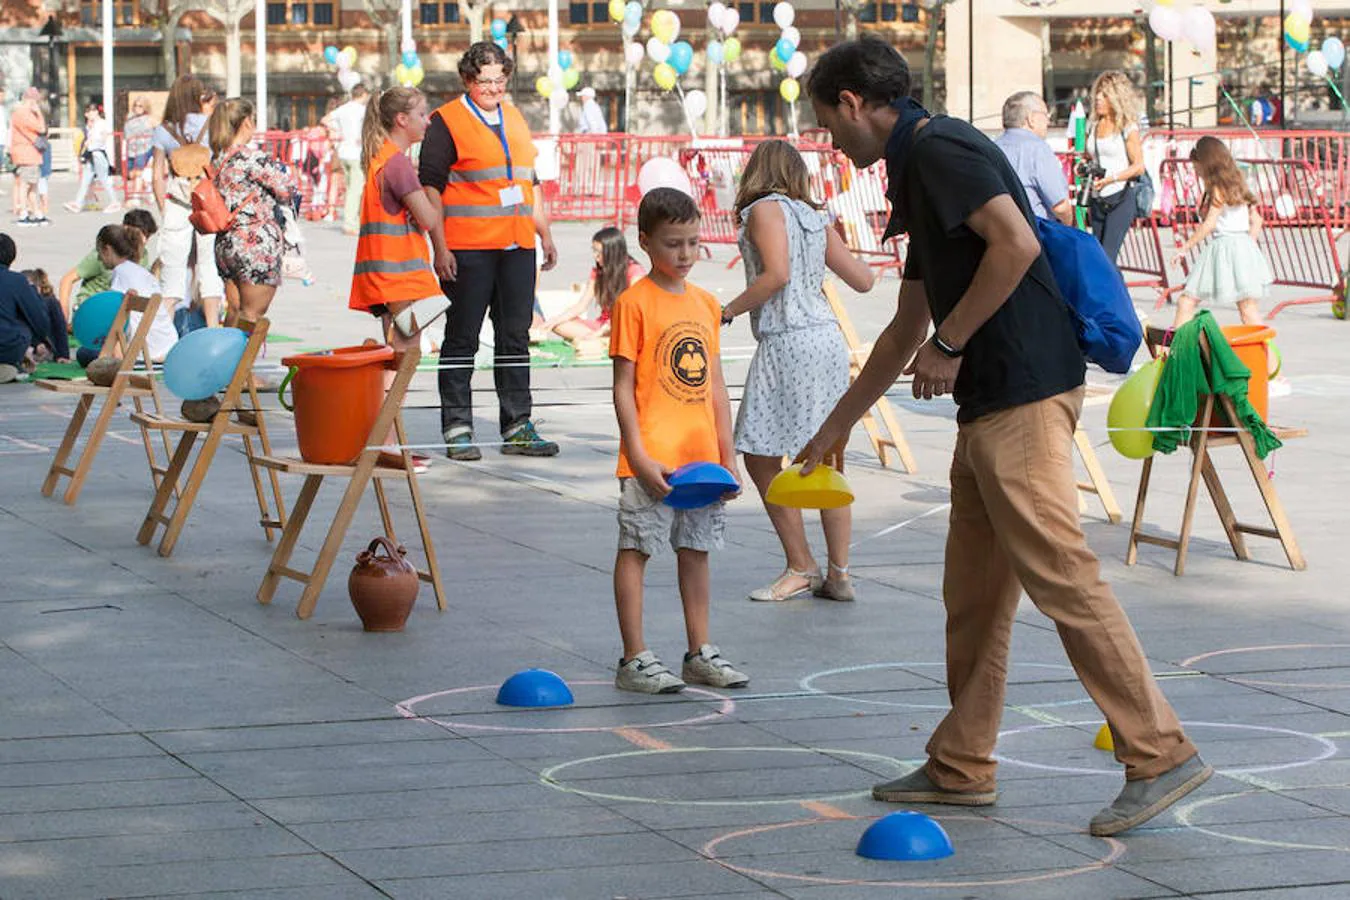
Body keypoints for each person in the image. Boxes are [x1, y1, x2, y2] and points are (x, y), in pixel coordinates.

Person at [800, 37, 1209, 838]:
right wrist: (837, 426)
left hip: (1021, 389)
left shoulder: (940, 147)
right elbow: (903, 327)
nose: (830, 141)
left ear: (852, 102)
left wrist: (949, 347)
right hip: (990, 401)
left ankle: (1159, 751)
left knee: (1062, 575)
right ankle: (962, 764)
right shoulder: (918, 163)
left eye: (827, 123)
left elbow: (1016, 247)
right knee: (977, 597)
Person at [719, 140, 875, 603]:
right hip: (826, 340)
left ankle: (800, 563)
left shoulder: (765, 209)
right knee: (824, 457)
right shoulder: (814, 216)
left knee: (761, 454)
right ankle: (839, 572)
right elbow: (863, 280)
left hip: (788, 339)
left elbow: (776, 275)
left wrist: (726, 311)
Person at [608, 187, 747, 694]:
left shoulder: (707, 304)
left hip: (702, 462)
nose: (685, 254)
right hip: (654, 461)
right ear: (645, 242)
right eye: (673, 244)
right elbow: (623, 386)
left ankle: (699, 651)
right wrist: (639, 457)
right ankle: (634, 658)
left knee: (697, 550)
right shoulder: (633, 303)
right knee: (637, 547)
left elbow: (714, 386)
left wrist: (727, 458)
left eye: (692, 243)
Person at [419, 41, 561, 460]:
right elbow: (432, 188)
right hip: (468, 248)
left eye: (501, 80)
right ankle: (458, 426)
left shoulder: (515, 118)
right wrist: (439, 245)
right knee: (461, 339)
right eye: (485, 81)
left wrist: (545, 234)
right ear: (467, 79)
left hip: (516, 245)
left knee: (515, 337)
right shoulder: (446, 122)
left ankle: (518, 424)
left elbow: (529, 183)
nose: (494, 88)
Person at [349, 85, 453, 473]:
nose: (427, 120)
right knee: (405, 357)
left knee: (398, 354)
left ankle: (385, 441)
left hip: (384, 272)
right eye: (423, 113)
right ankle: (384, 443)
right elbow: (427, 217)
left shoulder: (380, 158)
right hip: (400, 275)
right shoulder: (397, 163)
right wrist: (432, 194)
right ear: (401, 120)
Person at [207, 98, 297, 326]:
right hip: (254, 242)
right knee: (252, 318)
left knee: (234, 312)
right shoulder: (252, 158)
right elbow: (287, 189)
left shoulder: (217, 159)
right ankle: (242, 361)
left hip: (226, 242)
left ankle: (226, 360)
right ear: (246, 122)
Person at [1169, 136, 1272, 329]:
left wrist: (1185, 247)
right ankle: (1268, 356)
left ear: (1206, 163)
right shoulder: (1237, 183)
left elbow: (1209, 224)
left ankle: (1175, 352)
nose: (1197, 172)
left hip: (1224, 246)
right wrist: (1247, 244)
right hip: (1243, 246)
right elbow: (1257, 220)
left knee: (1187, 301)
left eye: (1197, 166)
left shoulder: (1217, 189)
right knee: (1248, 310)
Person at [153, 76, 224, 327]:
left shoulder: (164, 129)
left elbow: (157, 176)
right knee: (208, 266)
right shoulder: (211, 125)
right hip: (206, 200)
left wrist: (164, 207)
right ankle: (213, 326)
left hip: (176, 201)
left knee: (172, 269)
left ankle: (164, 333)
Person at [538, 226, 643, 353]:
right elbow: (581, 306)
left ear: (612, 252)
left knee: (618, 328)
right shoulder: (598, 272)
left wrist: (603, 330)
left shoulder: (634, 272)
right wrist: (554, 320)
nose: (596, 256)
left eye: (599, 252)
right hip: (603, 325)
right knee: (560, 325)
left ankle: (602, 339)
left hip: (624, 323)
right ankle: (602, 340)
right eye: (594, 251)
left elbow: (632, 310)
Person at [1084, 70, 1146, 263]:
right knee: (1098, 257)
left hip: (1120, 196)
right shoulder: (1093, 125)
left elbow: (1139, 166)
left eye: (1104, 95)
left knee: (1106, 258)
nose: (1098, 99)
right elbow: (1091, 157)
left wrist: (1112, 178)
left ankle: (1114, 293)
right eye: (1097, 94)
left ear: (1116, 97)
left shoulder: (1127, 126)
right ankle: (1117, 293)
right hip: (1097, 198)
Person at [58, 209, 158, 321]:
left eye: (148, 236)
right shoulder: (103, 254)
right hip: (92, 307)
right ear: (124, 229)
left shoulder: (143, 254)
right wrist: (64, 314)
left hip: (118, 309)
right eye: (140, 234)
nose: (144, 240)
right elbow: (67, 279)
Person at [98, 224, 177, 362]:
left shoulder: (120, 272)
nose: (99, 258)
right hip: (167, 346)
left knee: (85, 352)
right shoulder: (141, 272)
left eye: (99, 252)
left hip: (142, 352)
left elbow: (117, 319)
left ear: (107, 250)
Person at [994, 91, 1073, 227]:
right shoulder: (1038, 149)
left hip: (999, 232)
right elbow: (1060, 206)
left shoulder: (993, 147)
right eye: (1045, 114)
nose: (1048, 121)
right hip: (1036, 233)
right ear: (1031, 118)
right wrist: (1068, 226)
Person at [0, 232, 52, 383]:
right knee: (21, 324)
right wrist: (38, 342)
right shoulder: (17, 281)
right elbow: (40, 321)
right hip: (6, 349)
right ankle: (11, 364)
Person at [328, 84, 370, 236]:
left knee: (350, 187)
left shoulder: (343, 109)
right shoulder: (362, 111)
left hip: (343, 151)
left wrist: (337, 133)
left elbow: (326, 119)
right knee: (356, 190)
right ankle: (351, 223)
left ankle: (352, 220)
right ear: (363, 94)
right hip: (356, 152)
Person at [66, 103, 120, 214]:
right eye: (88, 112)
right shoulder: (93, 125)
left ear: (97, 112)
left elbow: (103, 138)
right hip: (92, 154)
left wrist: (92, 142)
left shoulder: (101, 123)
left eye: (93, 111)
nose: (90, 114)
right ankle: (78, 203)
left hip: (97, 153)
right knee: (86, 179)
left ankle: (114, 202)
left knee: (103, 178)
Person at [9, 88, 47, 226]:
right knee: (26, 184)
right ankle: (24, 213)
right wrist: (38, 113)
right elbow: (41, 129)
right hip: (27, 153)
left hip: (28, 153)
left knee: (32, 184)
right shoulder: (23, 113)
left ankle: (36, 211)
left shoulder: (18, 113)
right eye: (35, 100)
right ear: (30, 100)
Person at [21, 268, 68, 361]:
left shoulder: (50, 302)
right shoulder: (20, 303)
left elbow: (60, 328)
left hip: (44, 348)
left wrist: (63, 355)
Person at [123, 96, 156, 203]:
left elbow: (155, 133)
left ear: (145, 107)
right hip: (131, 149)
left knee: (138, 172)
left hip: (144, 148)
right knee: (131, 174)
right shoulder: (130, 117)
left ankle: (136, 197)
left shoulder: (149, 119)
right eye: (136, 105)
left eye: (140, 106)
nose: (137, 108)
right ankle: (149, 189)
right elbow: (126, 133)